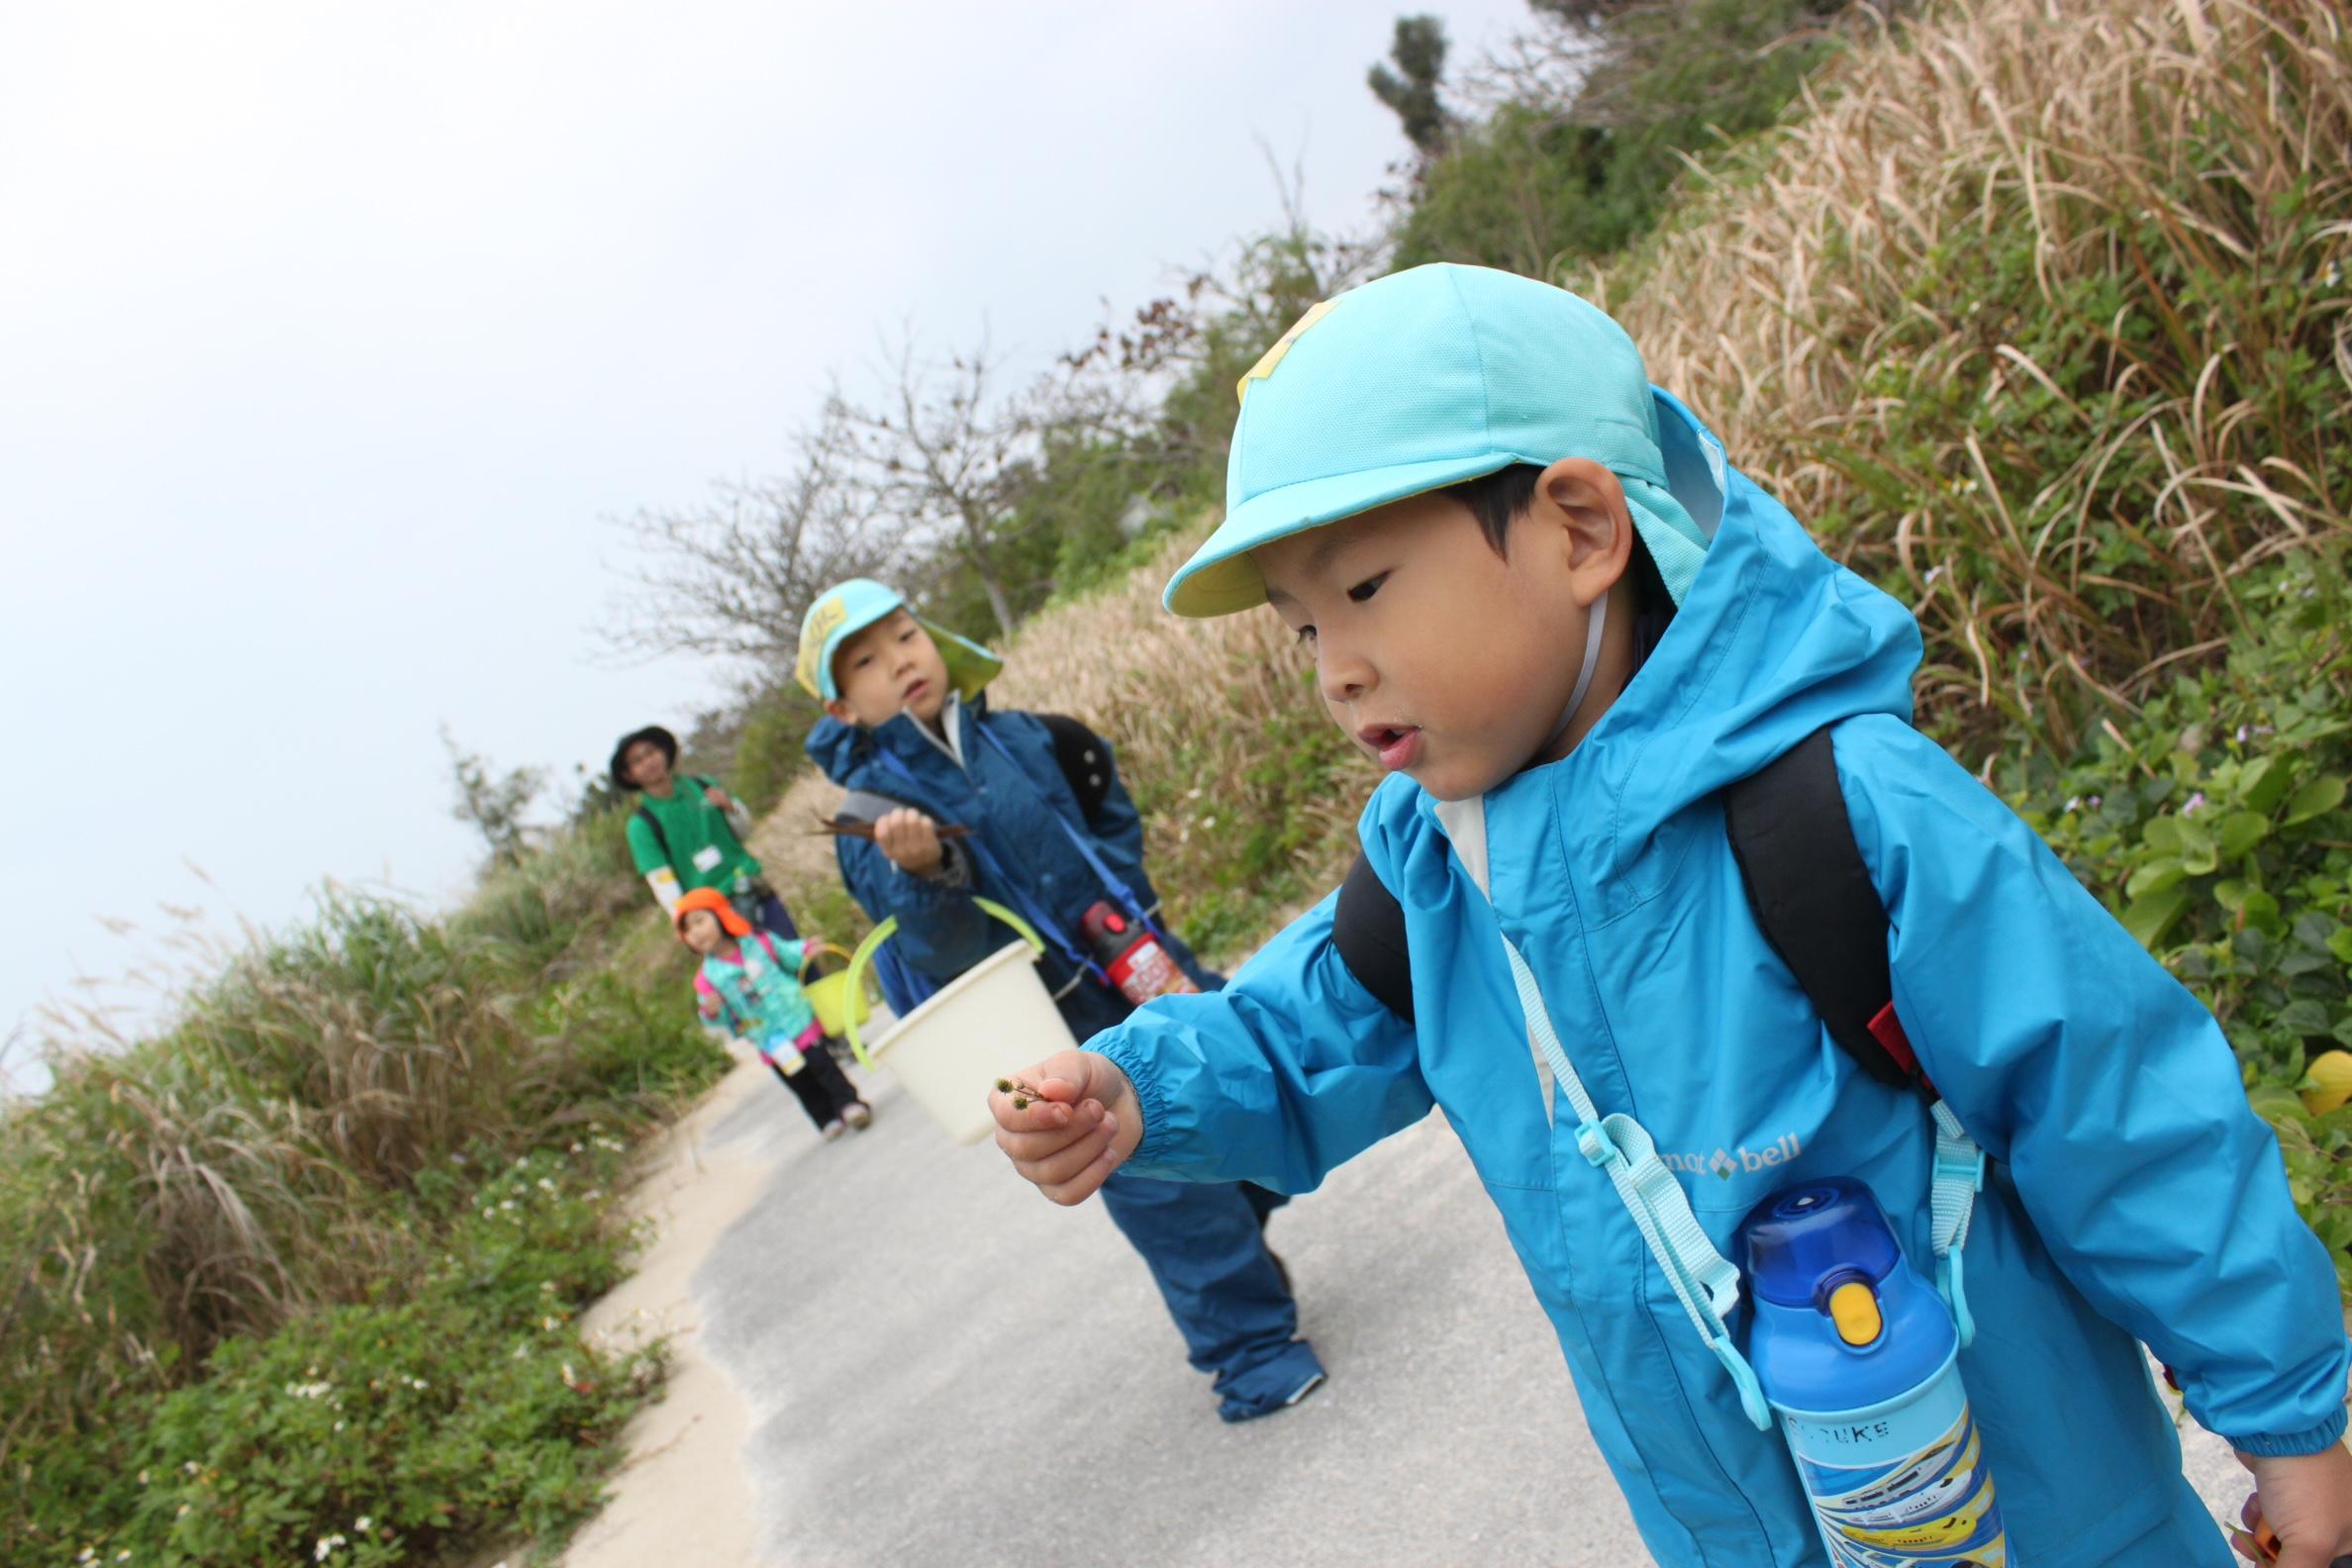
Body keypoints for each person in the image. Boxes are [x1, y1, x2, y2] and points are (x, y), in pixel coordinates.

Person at [986, 265, 2352, 1565]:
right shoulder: (1429, 867)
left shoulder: (1845, 811)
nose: (1338, 672)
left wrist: (2289, 1414)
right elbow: (1299, 1042)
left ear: (1582, 531)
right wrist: (1137, 1092)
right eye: (1301, 629)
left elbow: (2121, 1112)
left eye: (1364, 592)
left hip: (2047, 1521)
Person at [798, 578, 1325, 1422]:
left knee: (1238, 1091)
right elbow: (941, 953)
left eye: (903, 636)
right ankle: (1250, 1355)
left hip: (1140, 963)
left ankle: (1244, 1239)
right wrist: (928, 874)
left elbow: (1101, 798)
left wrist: (1125, 891)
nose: (897, 661)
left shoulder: (1016, 736)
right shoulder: (871, 822)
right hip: (1043, 1023)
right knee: (1155, 1175)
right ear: (843, 706)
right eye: (865, 661)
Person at [674, 886, 870, 1140]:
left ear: (720, 915)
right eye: (688, 930)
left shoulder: (759, 941)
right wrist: (711, 1012)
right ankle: (825, 1118)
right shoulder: (707, 979)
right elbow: (720, 1020)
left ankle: (848, 1103)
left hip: (797, 1018)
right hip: (768, 1038)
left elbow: (788, 954)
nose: (696, 932)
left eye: (700, 921)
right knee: (799, 1081)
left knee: (824, 1066)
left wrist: (805, 950)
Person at [611, 723, 798, 938]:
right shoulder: (641, 826)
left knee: (798, 958)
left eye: (651, 752)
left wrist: (730, 808)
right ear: (628, 774)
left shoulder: (702, 784)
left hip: (753, 886)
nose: (648, 762)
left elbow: (745, 832)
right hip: (715, 913)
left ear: (663, 751)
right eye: (637, 761)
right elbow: (662, 883)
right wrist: (688, 924)